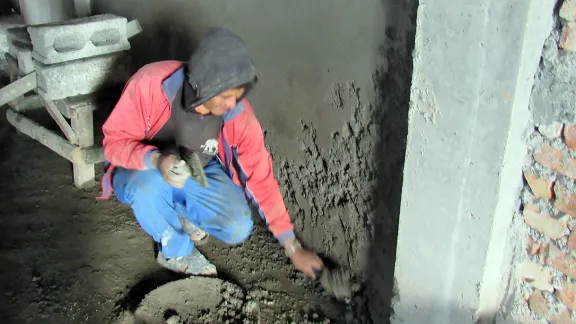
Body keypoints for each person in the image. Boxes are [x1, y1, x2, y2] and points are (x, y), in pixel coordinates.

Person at [98, 27, 323, 278]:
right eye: (226, 96)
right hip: (143, 170)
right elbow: (113, 143)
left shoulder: (238, 114)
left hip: (197, 169)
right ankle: (176, 251)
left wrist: (292, 247)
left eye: (237, 96)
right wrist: (155, 159)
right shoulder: (151, 84)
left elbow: (261, 178)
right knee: (147, 186)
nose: (232, 104)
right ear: (203, 84)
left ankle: (178, 210)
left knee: (237, 225)